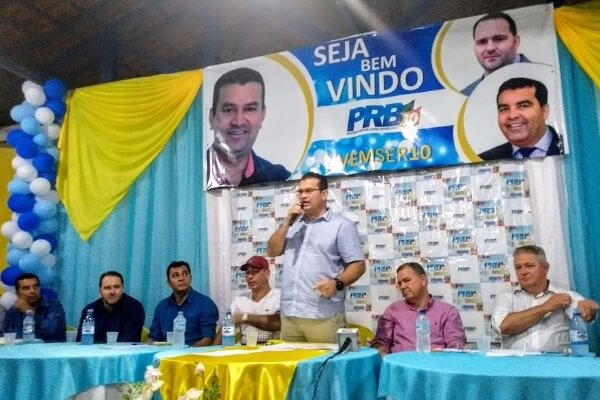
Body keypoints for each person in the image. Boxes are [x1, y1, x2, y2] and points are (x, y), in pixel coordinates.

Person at [267, 172, 365, 342]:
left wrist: (337, 283)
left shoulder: (341, 225)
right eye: (300, 191)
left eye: (309, 191)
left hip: (323, 316)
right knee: (291, 360)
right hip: (290, 315)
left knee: (326, 360)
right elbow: (272, 251)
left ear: (324, 194)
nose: (303, 196)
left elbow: (358, 265)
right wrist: (287, 221)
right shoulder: (293, 225)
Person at [492, 245, 598, 352]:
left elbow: (584, 312)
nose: (523, 272)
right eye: (518, 267)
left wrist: (589, 311)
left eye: (529, 266)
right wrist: (545, 307)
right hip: (515, 361)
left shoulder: (565, 296)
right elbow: (502, 326)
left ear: (545, 268)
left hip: (557, 361)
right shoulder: (505, 297)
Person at [206, 67, 290, 189]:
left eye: (250, 109)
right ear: (211, 117)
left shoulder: (281, 179)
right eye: (228, 110)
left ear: (262, 115)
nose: (238, 121)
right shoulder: (188, 173)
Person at [371, 262, 466, 355]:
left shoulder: (448, 312)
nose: (402, 286)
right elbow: (381, 343)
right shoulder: (392, 310)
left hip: (435, 363)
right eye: (399, 283)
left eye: (407, 280)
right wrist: (382, 355)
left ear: (423, 280)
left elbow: (455, 347)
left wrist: (441, 356)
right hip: (399, 364)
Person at [478, 77, 563, 161]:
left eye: (523, 106)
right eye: (504, 109)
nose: (512, 116)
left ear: (544, 111)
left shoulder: (569, 147)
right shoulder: (484, 160)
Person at [149, 261, 218, 346]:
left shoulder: (205, 304)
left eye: (185, 274)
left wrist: (188, 352)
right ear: (169, 283)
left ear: (190, 278)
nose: (181, 278)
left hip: (195, 353)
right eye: (176, 275)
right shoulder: (162, 307)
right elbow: (153, 338)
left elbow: (208, 339)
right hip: (165, 353)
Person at [215, 256, 281, 345]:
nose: (249, 277)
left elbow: (278, 324)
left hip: (272, 349)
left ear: (267, 274)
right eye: (247, 273)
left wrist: (244, 317)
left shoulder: (279, 297)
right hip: (246, 348)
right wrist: (212, 349)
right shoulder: (239, 300)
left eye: (255, 272)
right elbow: (226, 327)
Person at [462, 12, 529, 96]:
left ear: (515, 42)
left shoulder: (544, 76)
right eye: (482, 42)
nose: (490, 48)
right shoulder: (465, 96)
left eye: (499, 39)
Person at [75, 271, 145, 343]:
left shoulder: (134, 308)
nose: (112, 292)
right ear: (100, 291)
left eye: (117, 287)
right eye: (107, 288)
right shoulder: (89, 310)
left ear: (122, 289)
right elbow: (81, 341)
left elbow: (128, 341)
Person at [3, 273, 66, 342]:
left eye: (35, 287)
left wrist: (27, 311)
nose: (32, 291)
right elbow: (7, 336)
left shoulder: (53, 306)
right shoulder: (13, 311)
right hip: (22, 348)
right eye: (26, 288)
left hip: (50, 348)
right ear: (17, 293)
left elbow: (50, 331)